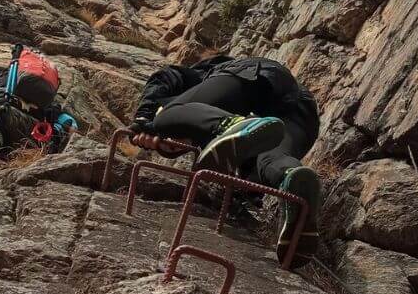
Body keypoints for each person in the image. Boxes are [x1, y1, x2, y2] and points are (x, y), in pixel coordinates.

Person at [130, 53, 321, 267]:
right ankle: (291, 180)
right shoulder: (241, 140)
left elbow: (165, 76)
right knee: (271, 162)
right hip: (300, 109)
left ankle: (228, 124)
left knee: (165, 116)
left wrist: (145, 118)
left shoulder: (195, 76)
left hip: (250, 76)